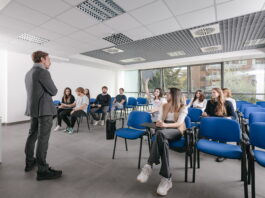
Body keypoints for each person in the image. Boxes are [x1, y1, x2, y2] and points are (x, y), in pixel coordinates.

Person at [137, 88, 188, 196]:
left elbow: (179, 123)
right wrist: (160, 123)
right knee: (162, 139)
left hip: (176, 130)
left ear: (174, 95)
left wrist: (165, 125)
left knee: (160, 134)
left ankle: (149, 165)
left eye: (169, 93)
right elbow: (160, 119)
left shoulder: (183, 107)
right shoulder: (163, 105)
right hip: (163, 130)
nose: (166, 94)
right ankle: (166, 178)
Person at [24, 51, 62, 181]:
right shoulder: (43, 72)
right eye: (48, 59)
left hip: (33, 110)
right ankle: (43, 170)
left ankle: (29, 162)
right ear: (42, 59)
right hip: (44, 110)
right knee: (43, 139)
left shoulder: (28, 73)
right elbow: (54, 90)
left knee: (32, 135)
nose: (50, 62)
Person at [202, 88, 237, 162]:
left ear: (219, 93)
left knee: (221, 135)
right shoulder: (209, 102)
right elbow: (206, 111)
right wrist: (204, 113)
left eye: (214, 92)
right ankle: (215, 149)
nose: (212, 94)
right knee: (212, 138)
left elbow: (234, 116)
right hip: (212, 123)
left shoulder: (228, 103)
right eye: (211, 92)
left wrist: (227, 118)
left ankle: (222, 153)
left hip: (222, 124)